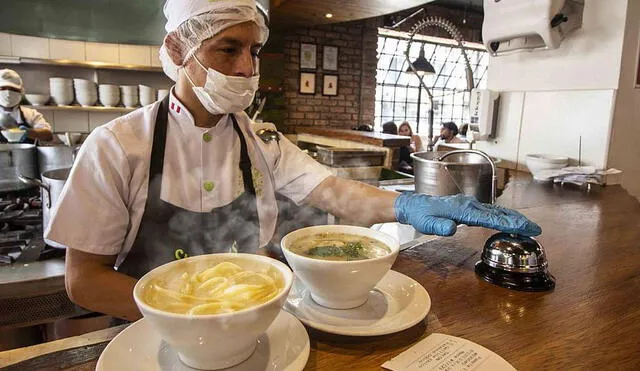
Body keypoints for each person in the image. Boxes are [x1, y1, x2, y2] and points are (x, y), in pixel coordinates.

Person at [47, 0, 541, 321]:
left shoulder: (258, 138)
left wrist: (409, 205)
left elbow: (334, 193)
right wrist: (195, 314)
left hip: (257, 323)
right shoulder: (117, 146)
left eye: (254, 50)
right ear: (179, 49)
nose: (247, 67)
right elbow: (83, 280)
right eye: (228, 49)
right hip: (150, 335)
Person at [0, 69, 53, 143]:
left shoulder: (30, 114)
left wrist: (28, 132)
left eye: (13, 89)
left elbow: (48, 135)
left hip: (26, 154)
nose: (8, 93)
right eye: (2, 89)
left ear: (21, 92)